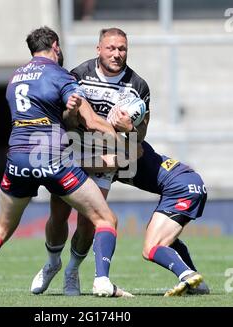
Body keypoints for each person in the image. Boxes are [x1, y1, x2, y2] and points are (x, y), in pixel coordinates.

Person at [0, 26, 133, 298]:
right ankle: (101, 280)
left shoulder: (15, 77)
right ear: (55, 45)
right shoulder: (60, 75)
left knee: (1, 228)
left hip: (18, 158)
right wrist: (119, 133)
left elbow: (40, 112)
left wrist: (67, 111)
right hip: (51, 157)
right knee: (105, 219)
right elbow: (90, 121)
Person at [31, 27, 208, 297]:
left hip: (109, 154)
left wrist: (129, 128)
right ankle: (52, 262)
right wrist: (70, 112)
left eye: (122, 49)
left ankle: (73, 271)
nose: (117, 54)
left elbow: (140, 137)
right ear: (98, 49)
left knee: (91, 220)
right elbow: (65, 122)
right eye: (111, 48)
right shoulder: (78, 75)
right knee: (58, 214)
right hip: (76, 150)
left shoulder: (138, 86)